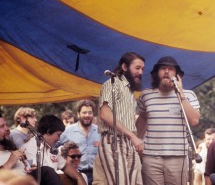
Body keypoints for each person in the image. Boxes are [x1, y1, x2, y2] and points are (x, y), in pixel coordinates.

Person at [136, 56, 201, 185]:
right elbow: (142, 120)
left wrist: (181, 95)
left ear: (177, 74)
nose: (166, 72)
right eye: (163, 68)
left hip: (178, 157)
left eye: (171, 69)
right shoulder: (146, 95)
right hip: (150, 157)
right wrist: (135, 140)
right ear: (156, 73)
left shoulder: (188, 95)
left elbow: (194, 121)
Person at [93, 52, 145, 185]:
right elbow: (105, 114)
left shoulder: (130, 90)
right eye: (137, 68)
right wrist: (133, 137)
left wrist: (133, 138)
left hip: (128, 143)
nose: (141, 72)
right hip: (113, 141)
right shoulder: (113, 83)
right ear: (125, 67)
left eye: (142, 69)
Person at [20, 115, 87, 185]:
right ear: (48, 132)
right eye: (58, 135)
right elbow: (38, 173)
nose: (59, 139)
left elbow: (65, 166)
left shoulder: (52, 149)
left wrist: (79, 177)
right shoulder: (29, 147)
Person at [0, 114, 63, 185]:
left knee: (43, 170)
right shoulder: (12, 157)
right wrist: (10, 162)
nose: (7, 128)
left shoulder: (11, 151)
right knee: (47, 171)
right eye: (2, 126)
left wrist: (33, 170)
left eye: (6, 125)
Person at [58, 100, 100, 185]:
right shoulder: (68, 131)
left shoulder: (99, 131)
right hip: (76, 174)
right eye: (84, 112)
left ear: (93, 114)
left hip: (97, 175)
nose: (87, 115)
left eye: (90, 112)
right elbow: (53, 147)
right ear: (78, 114)